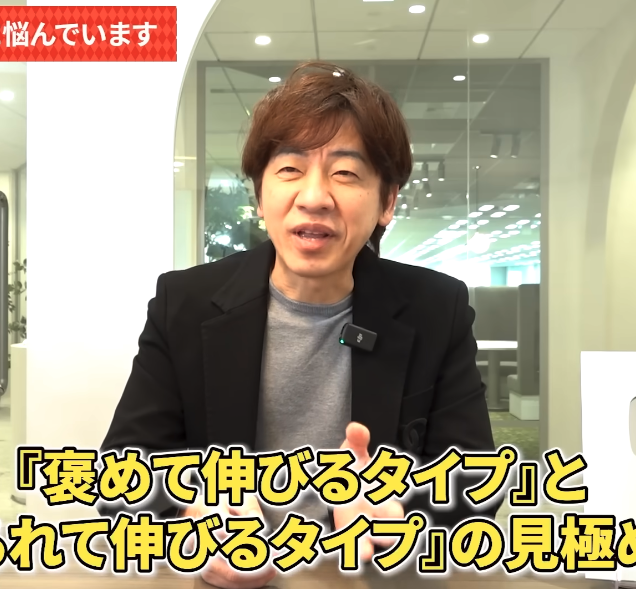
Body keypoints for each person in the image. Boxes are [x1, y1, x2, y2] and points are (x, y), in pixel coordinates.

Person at [98, 60, 501, 588]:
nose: (314, 197)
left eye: (346, 173)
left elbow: (474, 486)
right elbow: (121, 479)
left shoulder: (435, 309)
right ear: (260, 197)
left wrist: (401, 520)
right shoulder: (186, 303)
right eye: (289, 169)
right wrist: (191, 526)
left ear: (387, 202)